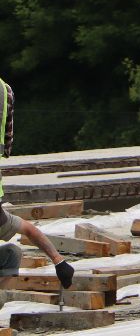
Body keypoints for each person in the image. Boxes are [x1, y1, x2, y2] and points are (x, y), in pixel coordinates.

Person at [0, 78, 74, 287]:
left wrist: (59, 261)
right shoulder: (4, 90)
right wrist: (59, 261)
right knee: (11, 253)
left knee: (11, 254)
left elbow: (28, 230)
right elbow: (7, 145)